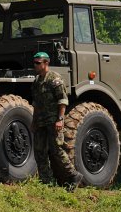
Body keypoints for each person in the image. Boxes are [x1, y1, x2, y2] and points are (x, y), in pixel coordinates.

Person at [30, 51, 83, 189]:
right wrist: (34, 121)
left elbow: (62, 101)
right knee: (39, 151)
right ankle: (46, 182)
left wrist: (60, 119)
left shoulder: (55, 79)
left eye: (38, 62)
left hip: (53, 121)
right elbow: (35, 103)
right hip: (41, 122)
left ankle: (73, 175)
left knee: (56, 150)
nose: (35, 65)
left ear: (46, 63)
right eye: (34, 62)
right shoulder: (37, 81)